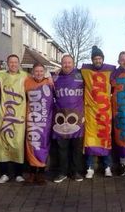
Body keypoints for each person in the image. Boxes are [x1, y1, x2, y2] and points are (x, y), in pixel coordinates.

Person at [81, 45, 116, 178]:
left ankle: (107, 166)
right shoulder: (85, 70)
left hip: (104, 112)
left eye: (99, 58)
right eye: (95, 58)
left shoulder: (110, 70)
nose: (97, 61)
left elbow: (123, 75)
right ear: (92, 60)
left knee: (105, 138)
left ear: (103, 59)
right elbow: (71, 71)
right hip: (90, 112)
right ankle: (89, 168)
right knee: (90, 139)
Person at [52, 55, 85, 183]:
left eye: (69, 62)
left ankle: (76, 172)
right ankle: (62, 172)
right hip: (60, 118)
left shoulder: (81, 76)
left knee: (76, 148)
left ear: (74, 63)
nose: (67, 65)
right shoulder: (55, 77)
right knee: (62, 148)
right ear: (61, 64)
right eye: (64, 63)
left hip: (77, 118)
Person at [0, 54, 28, 183]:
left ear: (19, 63)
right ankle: (4, 173)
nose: (13, 64)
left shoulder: (25, 76)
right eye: (11, 62)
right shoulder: (0, 75)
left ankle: (18, 173)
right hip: (4, 116)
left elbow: (40, 78)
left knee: (18, 144)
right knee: (2, 143)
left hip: (19, 116)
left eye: (15, 62)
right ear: (7, 63)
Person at [24, 63, 54, 185]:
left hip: (45, 121)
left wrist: (52, 76)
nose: (39, 73)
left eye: (41, 71)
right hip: (32, 120)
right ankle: (32, 173)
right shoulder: (26, 82)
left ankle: (41, 173)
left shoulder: (50, 82)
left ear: (44, 72)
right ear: (32, 72)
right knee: (31, 145)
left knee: (43, 146)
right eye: (36, 71)